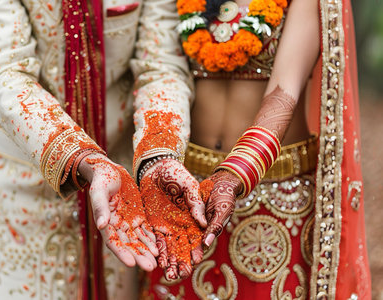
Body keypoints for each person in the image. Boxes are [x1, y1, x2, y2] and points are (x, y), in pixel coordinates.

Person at [0, 0, 206, 298]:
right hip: (24, 185)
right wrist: (83, 158)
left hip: (125, 197)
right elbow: (2, 71)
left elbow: (162, 66)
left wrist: (159, 155)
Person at [140, 0, 372, 299]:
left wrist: (233, 174)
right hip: (188, 191)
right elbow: (160, 71)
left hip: (273, 193)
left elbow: (284, 92)